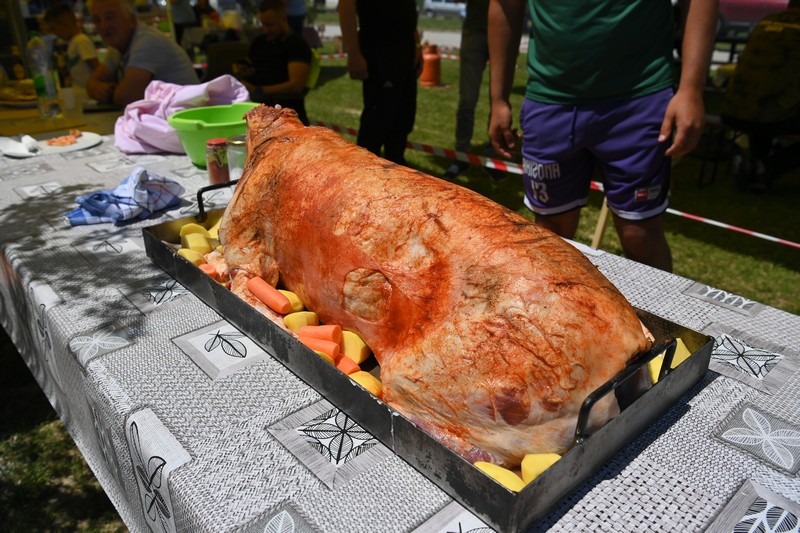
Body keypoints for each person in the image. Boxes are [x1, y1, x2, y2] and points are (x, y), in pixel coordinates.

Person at [487, 0, 718, 273]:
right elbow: (505, 7)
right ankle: (564, 313)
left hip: (639, 97)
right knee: (551, 234)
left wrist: (691, 89)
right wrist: (498, 98)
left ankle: (652, 318)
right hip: (550, 100)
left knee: (640, 236)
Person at [720, 0, 800, 192]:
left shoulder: (767, 21)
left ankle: (757, 165)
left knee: (763, 104)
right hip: (770, 116)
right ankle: (766, 167)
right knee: (773, 108)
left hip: (734, 109)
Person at [339, 0, 421, 165]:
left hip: (405, 48)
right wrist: (353, 53)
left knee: (403, 118)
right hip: (380, 49)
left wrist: (417, 44)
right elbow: (346, 5)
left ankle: (397, 168)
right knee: (377, 121)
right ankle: (364, 173)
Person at [86, 0, 199, 107]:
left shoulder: (147, 41)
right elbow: (92, 83)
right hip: (166, 118)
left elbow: (127, 97)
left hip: (187, 120)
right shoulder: (117, 49)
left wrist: (107, 92)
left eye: (110, 17)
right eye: (97, 20)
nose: (103, 26)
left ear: (131, 19)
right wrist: (101, 89)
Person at [443, 0, 502, 180]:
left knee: (498, 101)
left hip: (501, 30)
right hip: (474, 31)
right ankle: (462, 156)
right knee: (467, 100)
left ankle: (493, 157)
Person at [233, 0, 312, 125]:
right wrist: (245, 71)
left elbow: (296, 85)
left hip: (283, 108)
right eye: (263, 24)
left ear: (283, 19)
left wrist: (259, 90)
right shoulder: (260, 42)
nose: (266, 30)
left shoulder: (296, 45)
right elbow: (251, 65)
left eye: (270, 25)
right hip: (254, 104)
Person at [44, 2, 99, 89]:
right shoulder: (73, 42)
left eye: (54, 28)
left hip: (86, 92)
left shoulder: (81, 41)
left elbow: (95, 66)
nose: (54, 33)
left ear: (65, 24)